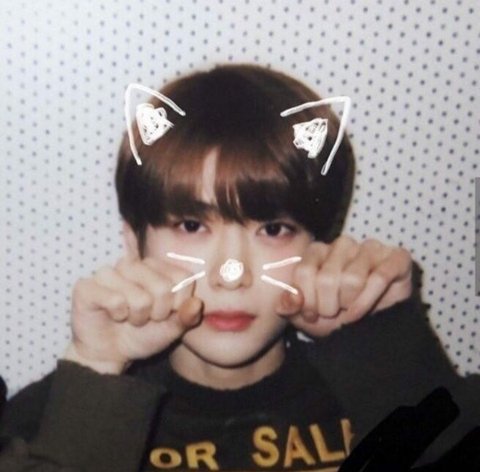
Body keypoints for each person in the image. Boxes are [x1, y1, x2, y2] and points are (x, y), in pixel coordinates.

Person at [0, 64, 478, 472]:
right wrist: (97, 371)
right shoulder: (46, 426)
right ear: (134, 243)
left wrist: (392, 351)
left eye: (273, 229)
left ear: (320, 246)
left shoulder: (382, 390)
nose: (232, 274)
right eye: (192, 225)